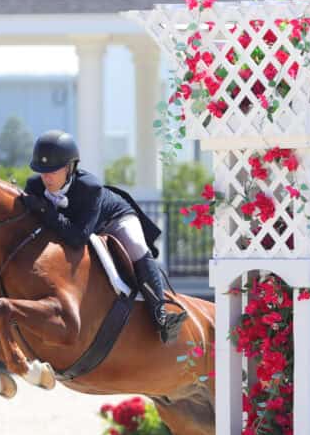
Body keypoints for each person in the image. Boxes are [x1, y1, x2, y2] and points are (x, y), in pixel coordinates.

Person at [21, 129, 189, 344]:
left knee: (137, 246)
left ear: (69, 167)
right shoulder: (34, 186)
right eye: (42, 171)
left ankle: (161, 313)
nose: (46, 177)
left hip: (115, 220)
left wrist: (46, 211)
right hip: (79, 225)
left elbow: (77, 237)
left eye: (53, 171)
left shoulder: (90, 188)